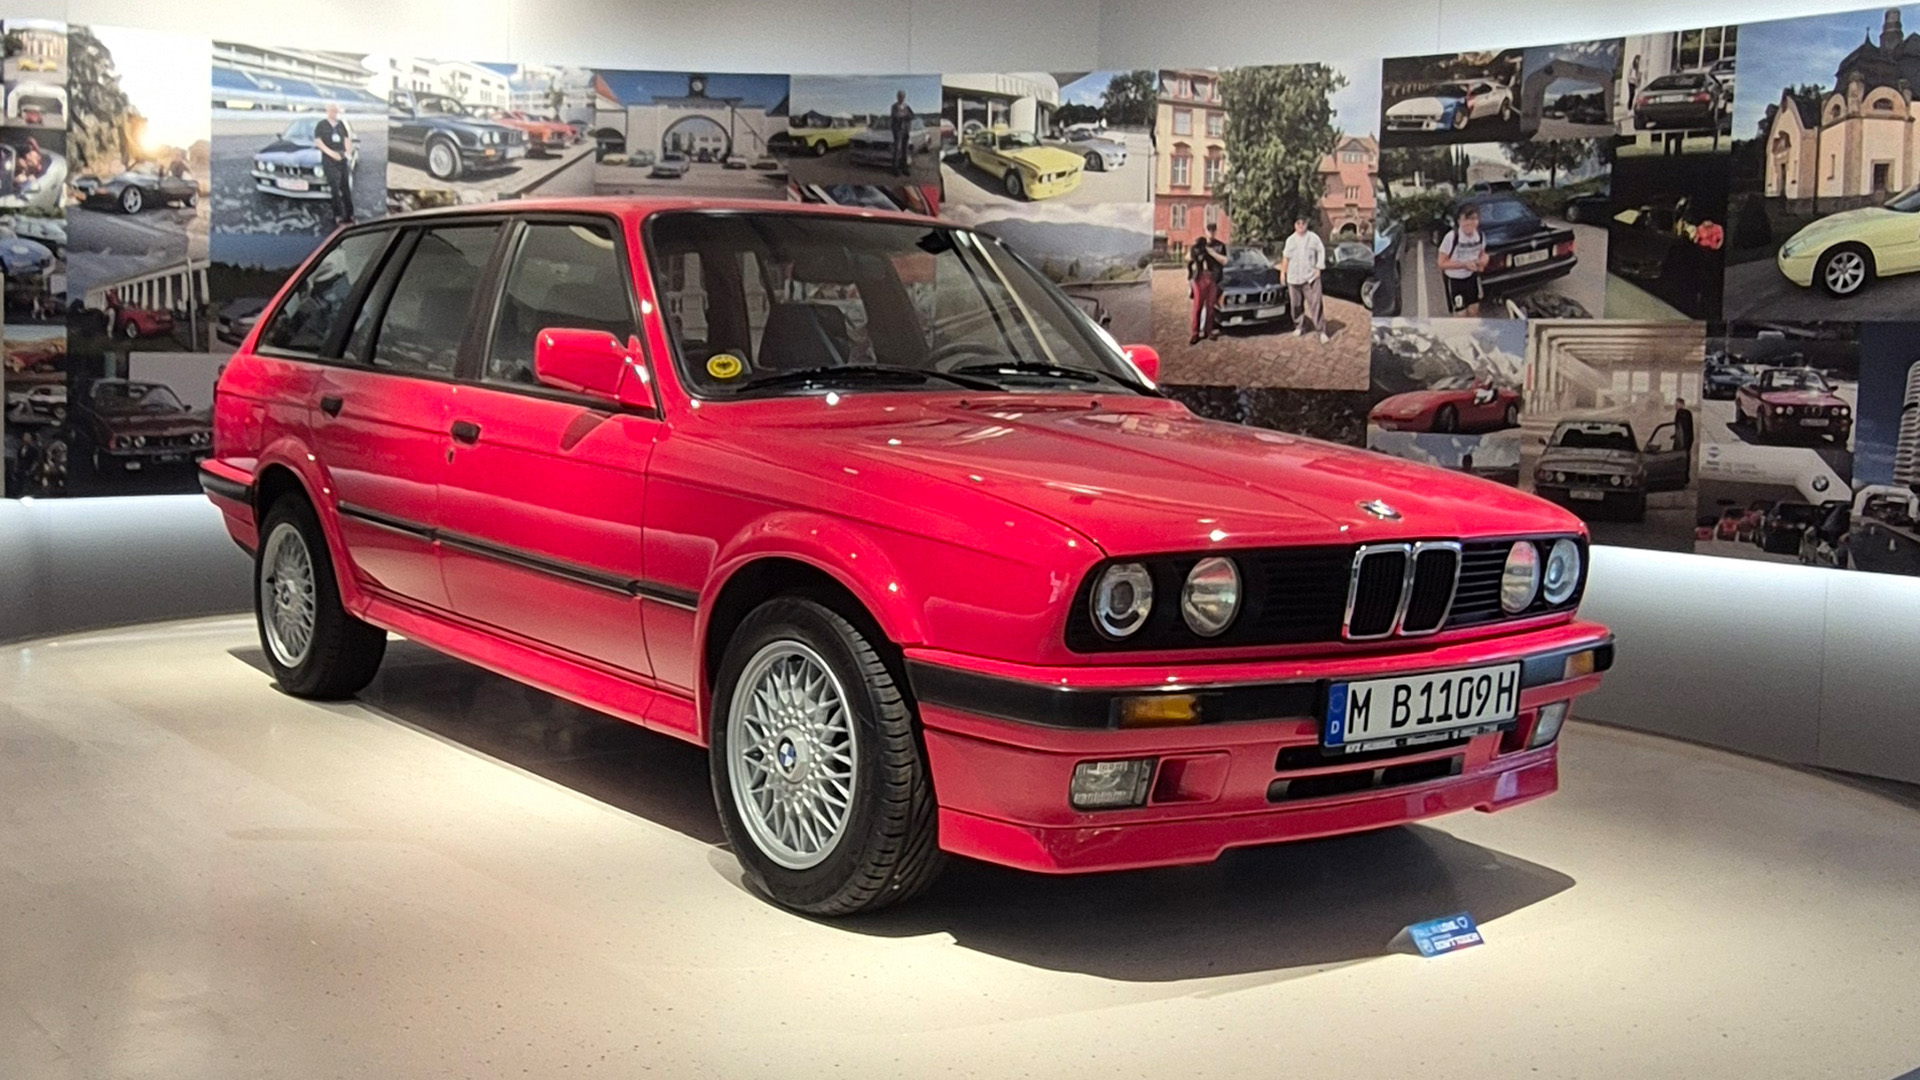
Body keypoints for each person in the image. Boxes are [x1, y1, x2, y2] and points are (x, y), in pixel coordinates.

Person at [1278, 217, 1329, 343]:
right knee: (1296, 305)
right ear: (1295, 225)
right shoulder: (1290, 240)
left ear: (1307, 224)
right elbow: (1286, 257)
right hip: (1294, 278)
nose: (1301, 225)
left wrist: (1319, 267)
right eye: (1298, 223)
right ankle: (1299, 326)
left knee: (1316, 304)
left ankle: (1321, 331)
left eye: (1303, 223)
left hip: (1311, 278)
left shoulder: (1313, 238)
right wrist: (1282, 273)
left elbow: (1321, 251)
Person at [1436, 205, 1488, 315]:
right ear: (1459, 221)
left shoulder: (1480, 236)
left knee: (1474, 311)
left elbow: (1482, 254)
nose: (1469, 223)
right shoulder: (1451, 237)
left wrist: (1483, 261)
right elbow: (1441, 263)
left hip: (1472, 279)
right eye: (1465, 219)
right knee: (1461, 315)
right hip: (1455, 281)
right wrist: (1464, 265)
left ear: (1478, 221)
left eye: (1473, 219)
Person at [313, 102, 356, 224]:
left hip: (341, 157)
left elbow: (347, 140)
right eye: (331, 110)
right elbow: (318, 142)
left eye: (335, 110)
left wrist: (346, 153)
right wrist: (332, 154)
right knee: (335, 188)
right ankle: (338, 215)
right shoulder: (321, 125)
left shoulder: (341, 125)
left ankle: (350, 214)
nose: (333, 112)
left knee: (345, 186)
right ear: (327, 111)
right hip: (329, 158)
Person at [1186, 222, 1226, 344]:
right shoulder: (1198, 245)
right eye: (1209, 230)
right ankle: (1195, 333)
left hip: (1212, 277)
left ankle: (1208, 331)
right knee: (1197, 307)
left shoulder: (1220, 246)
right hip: (1199, 277)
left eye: (1213, 230)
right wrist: (1195, 250)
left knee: (1210, 307)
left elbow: (1225, 261)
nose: (1211, 232)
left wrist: (1210, 252)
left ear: (1216, 231)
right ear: (1205, 231)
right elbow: (1187, 258)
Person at [888, 90, 914, 178]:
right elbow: (895, 116)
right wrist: (904, 116)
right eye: (899, 96)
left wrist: (904, 116)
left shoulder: (907, 106)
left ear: (904, 97)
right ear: (897, 97)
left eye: (902, 96)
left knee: (905, 150)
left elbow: (912, 116)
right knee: (897, 150)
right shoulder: (894, 106)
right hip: (898, 131)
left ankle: (904, 168)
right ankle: (895, 169)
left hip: (906, 130)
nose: (901, 97)